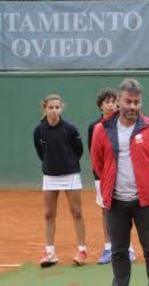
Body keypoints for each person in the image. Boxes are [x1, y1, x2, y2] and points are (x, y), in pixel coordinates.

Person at [91, 78, 149, 286]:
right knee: (118, 251)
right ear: (119, 100)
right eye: (128, 101)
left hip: (146, 202)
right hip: (115, 203)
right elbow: (98, 163)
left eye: (137, 102)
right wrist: (111, 184)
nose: (132, 106)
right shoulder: (102, 129)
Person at [34, 94, 87, 267]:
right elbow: (41, 153)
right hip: (50, 176)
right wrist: (51, 164)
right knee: (49, 214)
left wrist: (68, 163)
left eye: (57, 107)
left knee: (77, 212)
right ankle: (50, 253)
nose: (54, 110)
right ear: (45, 108)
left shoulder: (70, 129)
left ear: (61, 108)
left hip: (70, 175)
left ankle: (82, 250)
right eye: (51, 107)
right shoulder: (39, 130)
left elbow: (78, 150)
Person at [87, 87, 126, 265]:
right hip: (102, 177)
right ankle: (108, 248)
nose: (111, 105)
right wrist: (101, 176)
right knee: (106, 211)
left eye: (113, 102)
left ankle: (128, 248)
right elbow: (93, 154)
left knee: (125, 210)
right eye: (107, 102)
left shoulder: (124, 123)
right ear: (100, 106)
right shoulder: (95, 127)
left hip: (124, 175)